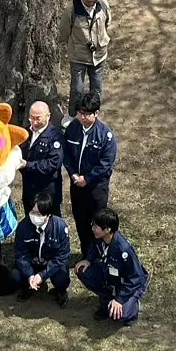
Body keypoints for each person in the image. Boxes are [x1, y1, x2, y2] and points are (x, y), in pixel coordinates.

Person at [61, 96, 117, 259]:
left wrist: (87, 178)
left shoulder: (105, 135)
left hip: (96, 188)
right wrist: (72, 173)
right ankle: (87, 254)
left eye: (85, 114)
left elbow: (106, 162)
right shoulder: (73, 128)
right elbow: (66, 153)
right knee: (80, 221)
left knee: (98, 223)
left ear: (96, 113)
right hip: (76, 184)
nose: (81, 117)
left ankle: (100, 255)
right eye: (79, 113)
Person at [75, 207, 148, 325]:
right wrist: (88, 260)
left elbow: (136, 278)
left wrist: (120, 300)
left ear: (107, 229)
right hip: (110, 274)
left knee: (119, 315)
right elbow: (94, 246)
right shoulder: (100, 238)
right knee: (83, 270)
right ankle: (106, 300)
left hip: (129, 283)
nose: (93, 229)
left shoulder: (123, 250)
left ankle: (133, 308)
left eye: (96, 226)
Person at [59, 0, 111, 116]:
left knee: (97, 88)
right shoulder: (71, 10)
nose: (92, 3)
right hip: (78, 56)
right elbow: (64, 32)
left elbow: (107, 23)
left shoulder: (103, 5)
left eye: (95, 0)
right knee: (77, 89)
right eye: (89, 1)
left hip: (99, 55)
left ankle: (94, 114)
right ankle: (73, 116)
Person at [11, 193, 71, 307]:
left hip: (51, 262)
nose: (34, 216)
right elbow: (21, 254)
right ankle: (26, 287)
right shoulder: (23, 226)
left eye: (38, 214)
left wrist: (43, 275)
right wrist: (29, 274)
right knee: (15, 276)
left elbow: (63, 255)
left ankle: (61, 291)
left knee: (62, 279)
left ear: (48, 215)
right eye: (32, 212)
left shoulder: (60, 227)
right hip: (32, 262)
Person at [20, 100, 65, 215]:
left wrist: (27, 165)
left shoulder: (55, 136)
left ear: (48, 116)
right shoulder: (25, 133)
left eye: (38, 118)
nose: (34, 122)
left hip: (47, 192)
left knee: (50, 227)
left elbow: (53, 164)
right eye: (31, 118)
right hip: (29, 190)